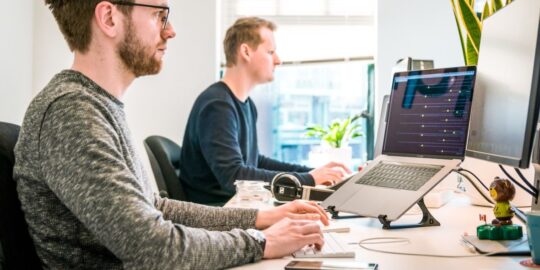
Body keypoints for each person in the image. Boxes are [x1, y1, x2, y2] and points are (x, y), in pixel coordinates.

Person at [13, 1, 329, 269]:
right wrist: (261, 241)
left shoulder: (97, 105)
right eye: (159, 15)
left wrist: (260, 218)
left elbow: (156, 208)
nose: (170, 30)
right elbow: (152, 247)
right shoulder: (71, 112)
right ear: (109, 18)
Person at [180, 17, 352, 204]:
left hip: (238, 207)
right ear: (245, 51)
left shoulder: (245, 104)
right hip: (219, 213)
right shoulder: (217, 106)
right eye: (270, 52)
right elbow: (234, 178)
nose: (278, 60)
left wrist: (310, 172)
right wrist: (308, 180)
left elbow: (255, 162)